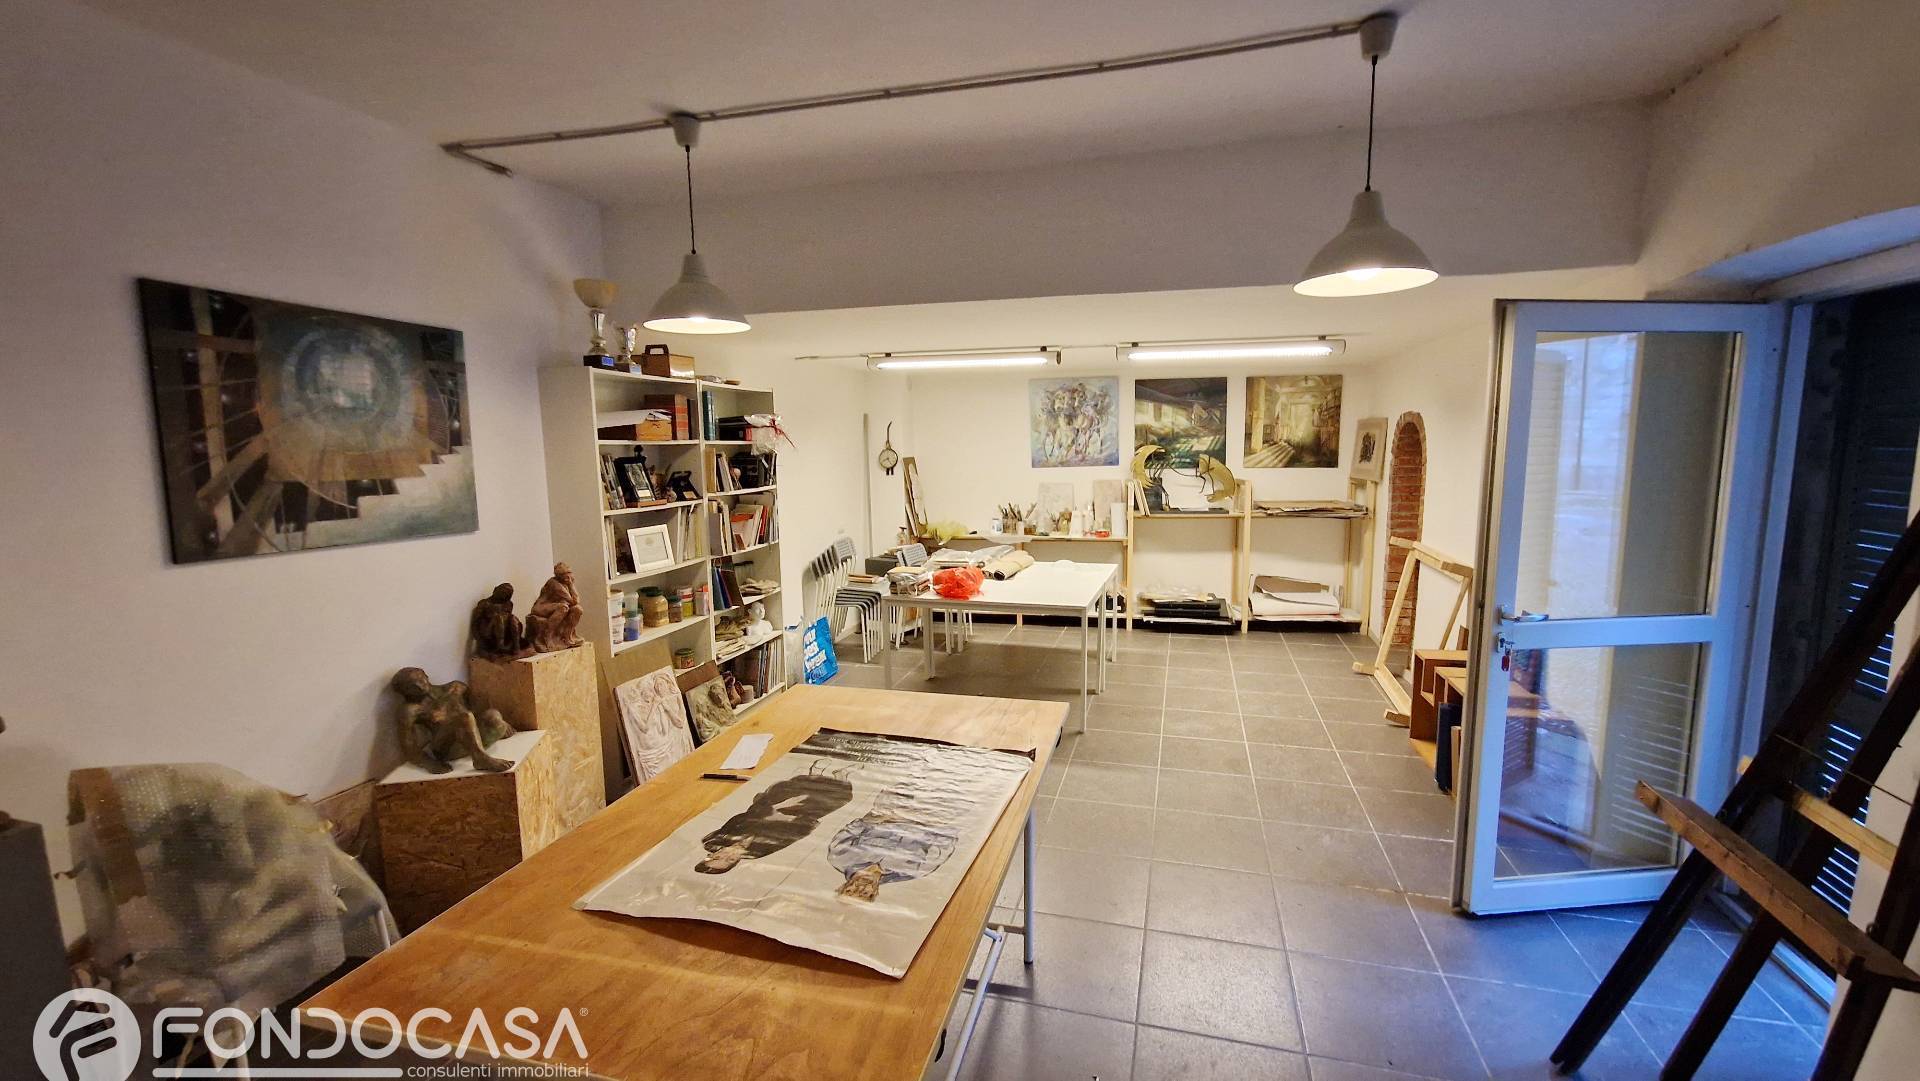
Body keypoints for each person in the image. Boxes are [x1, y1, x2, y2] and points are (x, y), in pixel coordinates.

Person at [695, 762, 853, 874]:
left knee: (786, 793)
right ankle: (840, 777)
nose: (729, 855)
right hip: (792, 819)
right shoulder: (757, 853)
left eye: (719, 857)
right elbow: (787, 838)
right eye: (730, 860)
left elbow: (740, 818)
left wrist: (777, 809)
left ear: (711, 855)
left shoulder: (717, 838)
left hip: (764, 809)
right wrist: (796, 821)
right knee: (826, 804)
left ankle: (814, 775)